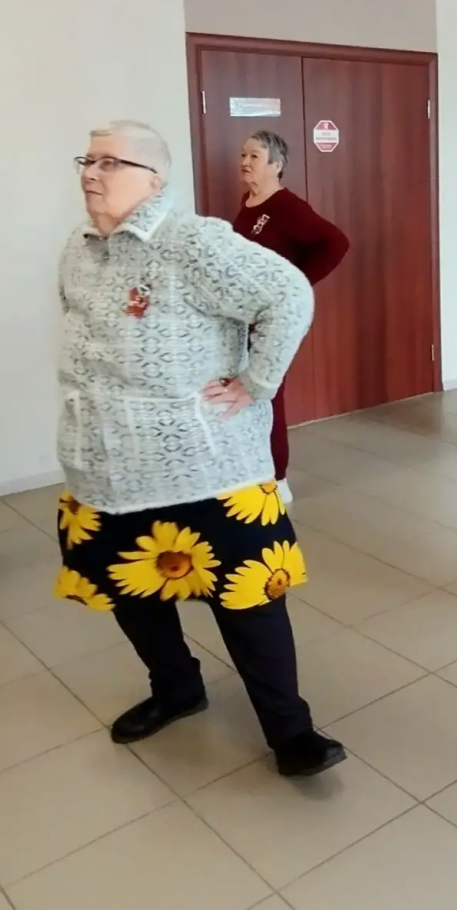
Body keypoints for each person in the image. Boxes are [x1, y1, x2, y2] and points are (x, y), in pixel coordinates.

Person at [55, 120, 345, 778]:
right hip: (107, 465)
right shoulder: (79, 247)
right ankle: (176, 688)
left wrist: (256, 382)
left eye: (110, 162)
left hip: (208, 466)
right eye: (87, 160)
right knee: (133, 589)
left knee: (247, 600)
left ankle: (291, 732)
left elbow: (288, 293)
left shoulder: (192, 241)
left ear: (154, 179)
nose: (91, 173)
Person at [232, 131, 349, 501]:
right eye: (243, 155)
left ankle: (278, 479)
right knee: (246, 392)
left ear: (276, 165)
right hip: (245, 317)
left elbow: (336, 243)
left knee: (268, 392)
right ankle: (252, 468)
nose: (245, 162)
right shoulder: (249, 202)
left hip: (272, 320)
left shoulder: (287, 206)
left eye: (254, 156)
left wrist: (295, 286)